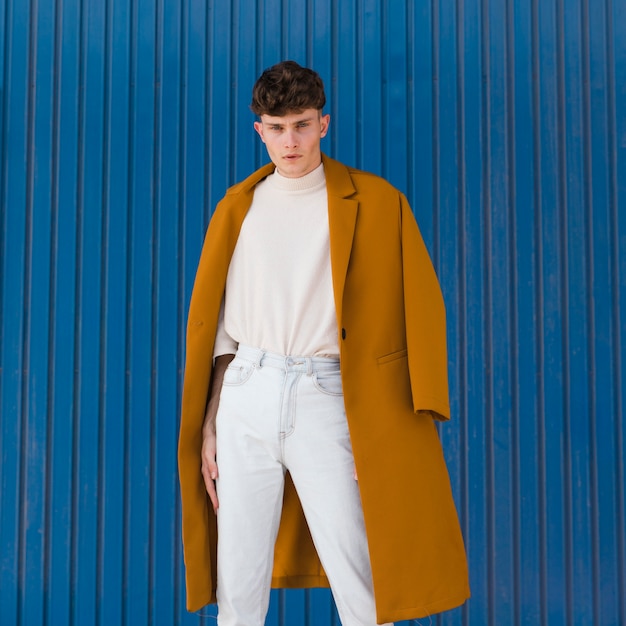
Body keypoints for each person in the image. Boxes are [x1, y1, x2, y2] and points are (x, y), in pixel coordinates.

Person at [178, 60, 469, 625]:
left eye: (303, 125)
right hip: (246, 392)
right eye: (278, 127)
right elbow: (222, 330)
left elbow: (422, 312)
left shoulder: (379, 203)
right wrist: (212, 418)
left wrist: (391, 425)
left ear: (325, 124)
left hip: (327, 394)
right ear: (258, 128)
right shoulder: (237, 208)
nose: (291, 141)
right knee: (237, 580)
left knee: (361, 574)